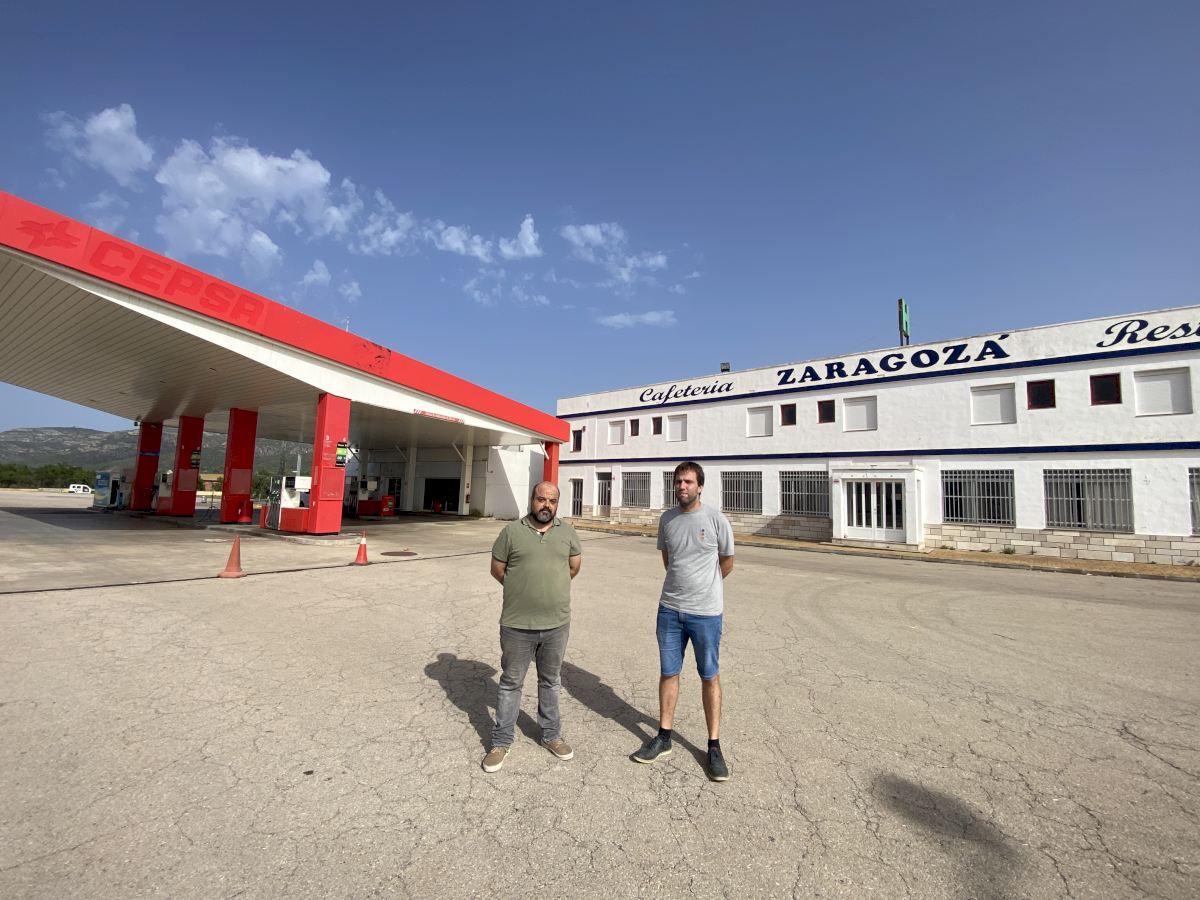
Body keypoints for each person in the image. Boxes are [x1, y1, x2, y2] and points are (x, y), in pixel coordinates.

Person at [633, 461, 735, 781]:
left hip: (706, 613)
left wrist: (706, 588)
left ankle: (714, 746)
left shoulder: (716, 519)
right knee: (669, 672)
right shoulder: (667, 519)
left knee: (709, 676)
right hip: (670, 611)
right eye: (678, 481)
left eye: (688, 481)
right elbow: (669, 560)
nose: (682, 486)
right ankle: (664, 737)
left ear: (700, 486)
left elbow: (727, 561)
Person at [482, 481, 582, 772]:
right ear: (532, 500)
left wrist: (550, 588)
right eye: (541, 499)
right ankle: (501, 742)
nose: (546, 505)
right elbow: (497, 569)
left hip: (556, 624)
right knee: (511, 683)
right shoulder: (511, 532)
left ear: (557, 504)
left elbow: (573, 567)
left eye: (552, 501)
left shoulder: (567, 533)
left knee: (550, 681)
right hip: (517, 624)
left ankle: (551, 735)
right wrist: (521, 588)